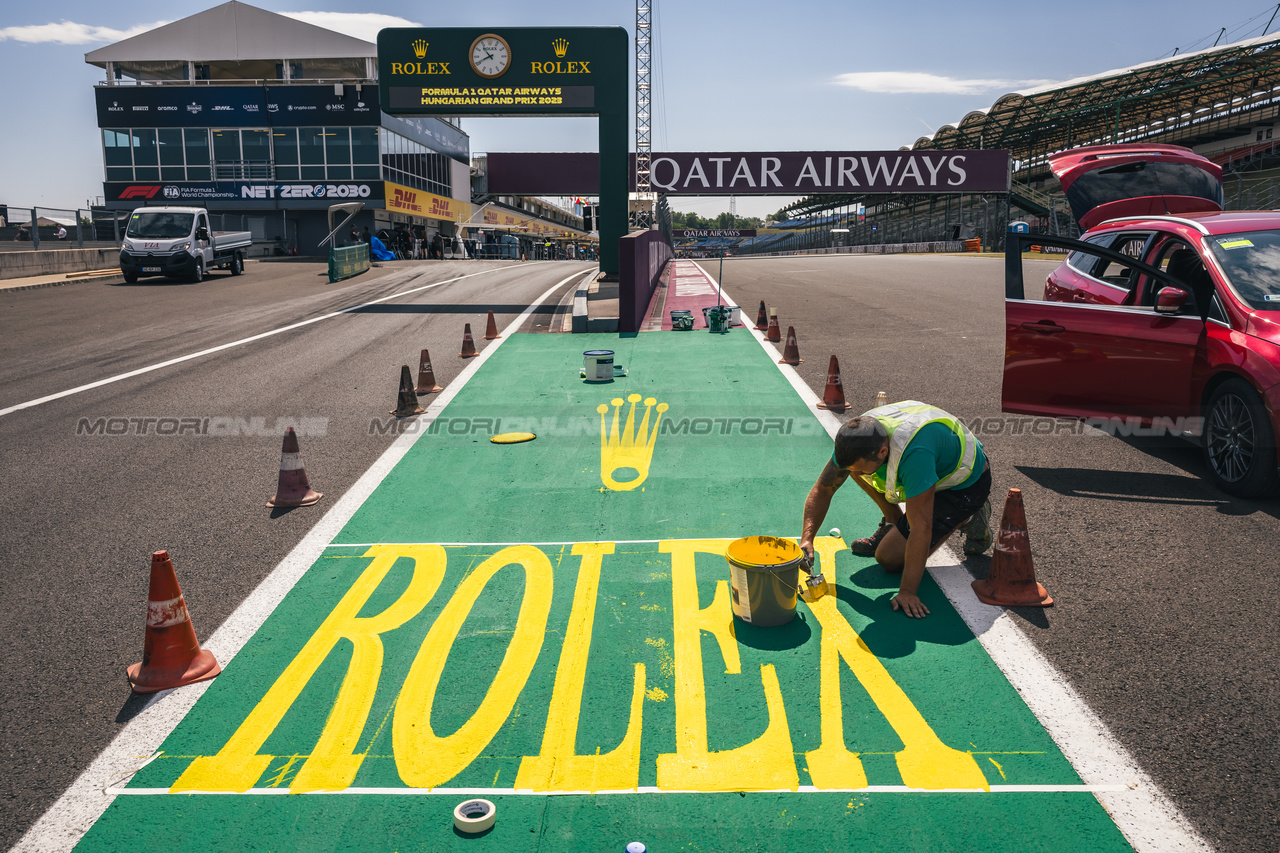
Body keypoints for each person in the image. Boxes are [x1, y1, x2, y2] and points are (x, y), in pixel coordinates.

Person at [799, 401, 993, 619]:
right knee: (852, 471)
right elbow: (824, 488)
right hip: (931, 468)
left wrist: (907, 591)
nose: (861, 474)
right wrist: (807, 538)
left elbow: (921, 528)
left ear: (883, 451)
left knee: (889, 559)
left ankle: (969, 517)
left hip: (964, 485)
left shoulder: (914, 454)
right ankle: (894, 521)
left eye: (863, 467)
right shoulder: (858, 438)